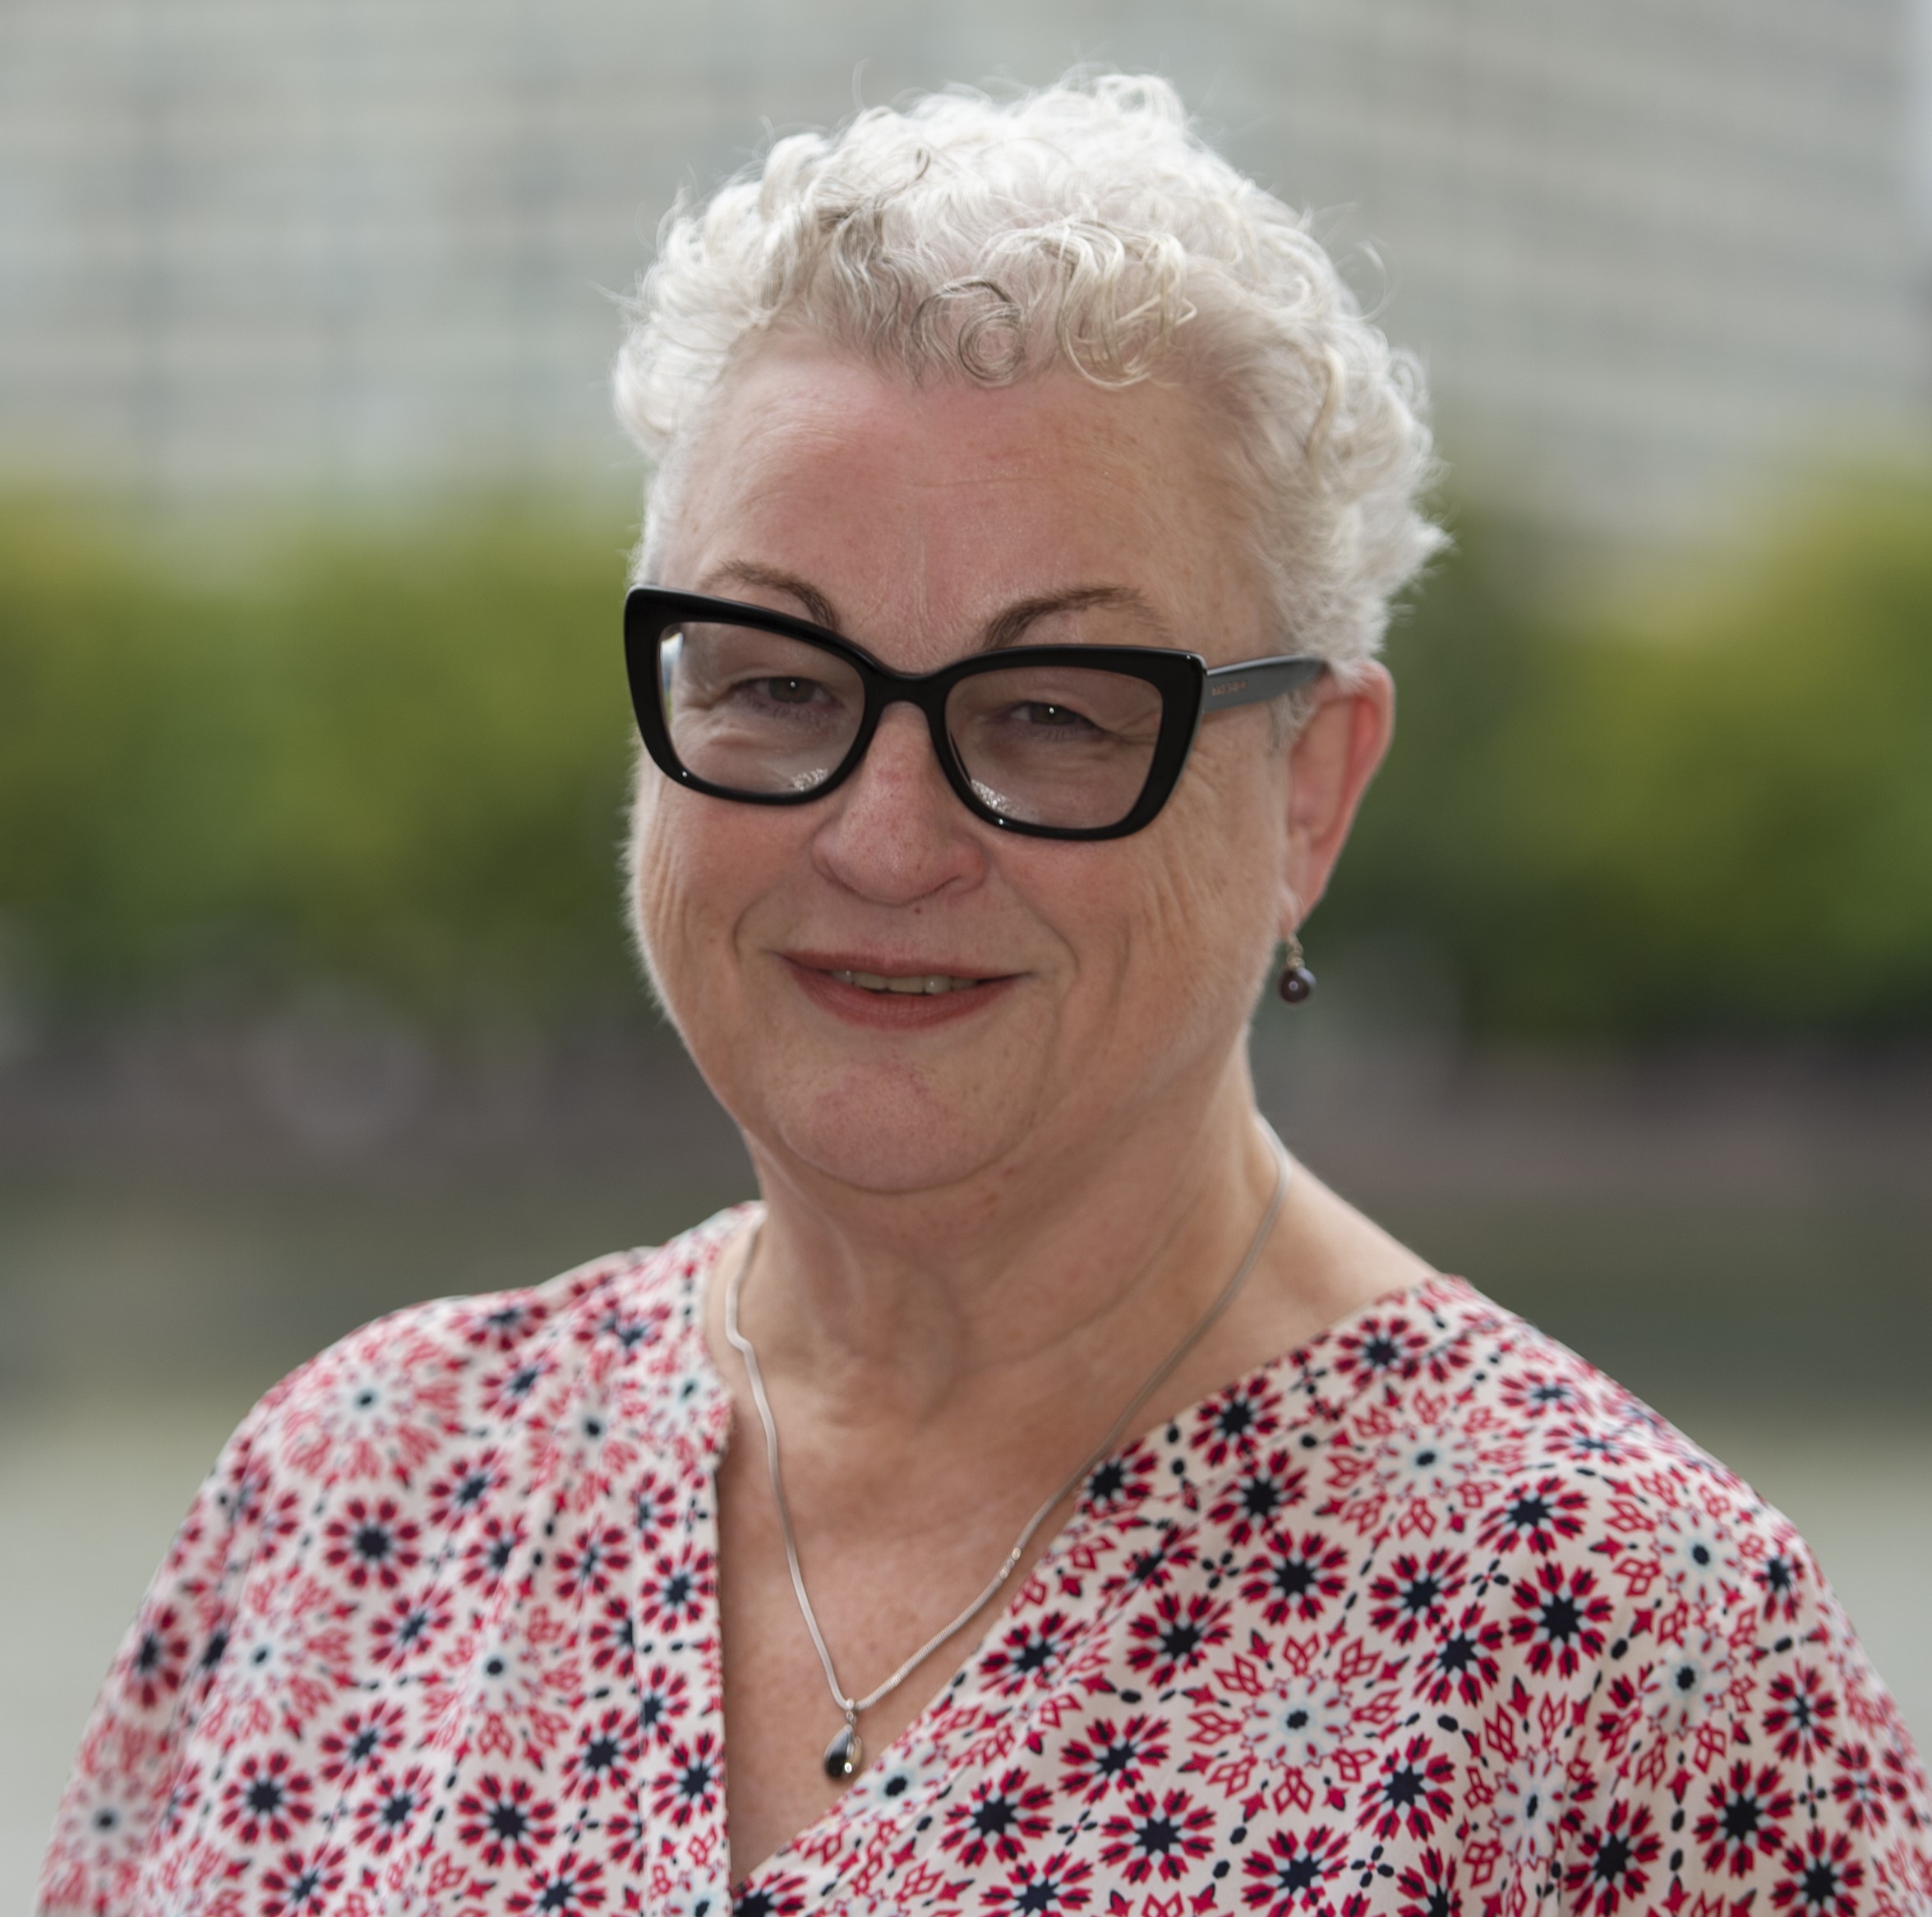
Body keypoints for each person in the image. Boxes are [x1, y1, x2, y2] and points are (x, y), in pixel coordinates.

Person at [40, 75, 1929, 1917]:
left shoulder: (1633, 1656)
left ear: (1311, 792)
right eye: (774, 678)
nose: (881, 834)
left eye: (1051, 714)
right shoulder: (350, 1492)